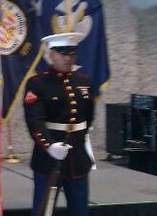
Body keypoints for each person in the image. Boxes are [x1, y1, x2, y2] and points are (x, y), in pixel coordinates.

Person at [23, 32, 95, 216]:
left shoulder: (84, 81)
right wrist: (49, 145)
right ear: (51, 53)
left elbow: (88, 116)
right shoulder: (38, 83)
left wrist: (78, 139)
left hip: (77, 158)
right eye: (63, 53)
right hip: (49, 158)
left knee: (80, 210)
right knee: (43, 209)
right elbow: (35, 121)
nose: (68, 58)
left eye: (72, 54)